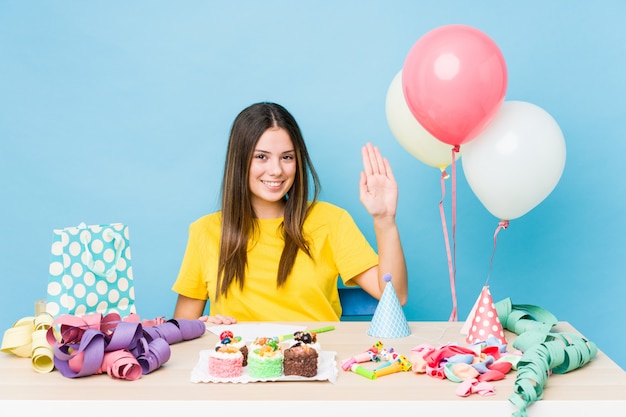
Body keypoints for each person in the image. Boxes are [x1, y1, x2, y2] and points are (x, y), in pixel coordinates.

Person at [171, 102, 407, 324]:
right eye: (261, 157)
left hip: (317, 361)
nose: (276, 170)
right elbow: (182, 329)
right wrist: (203, 327)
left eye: (287, 157)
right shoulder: (205, 232)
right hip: (243, 364)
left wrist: (385, 221)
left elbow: (395, 296)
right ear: (239, 161)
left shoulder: (331, 221)